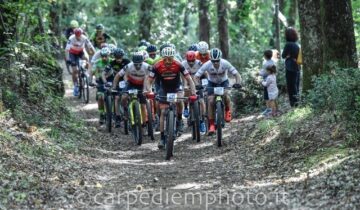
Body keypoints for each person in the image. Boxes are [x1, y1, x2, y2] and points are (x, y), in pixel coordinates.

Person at [145, 47, 197, 149]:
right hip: (163, 88)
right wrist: (150, 91)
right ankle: (162, 138)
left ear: (173, 57)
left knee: (179, 100)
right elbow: (149, 81)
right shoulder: (157, 65)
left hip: (176, 87)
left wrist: (193, 93)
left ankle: (179, 119)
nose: (168, 61)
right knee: (163, 112)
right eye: (166, 59)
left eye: (170, 58)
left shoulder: (178, 64)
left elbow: (189, 79)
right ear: (162, 58)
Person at [194, 48, 242, 134]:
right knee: (210, 100)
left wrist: (238, 83)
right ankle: (211, 125)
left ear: (220, 59)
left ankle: (227, 111)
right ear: (210, 59)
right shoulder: (207, 64)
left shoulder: (225, 63)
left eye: (217, 61)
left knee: (226, 95)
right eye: (213, 61)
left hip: (224, 82)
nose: (215, 63)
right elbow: (196, 76)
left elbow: (236, 74)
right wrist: (197, 84)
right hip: (211, 83)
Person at [112, 52, 152, 130]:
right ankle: (126, 110)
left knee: (143, 105)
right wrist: (114, 87)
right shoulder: (128, 66)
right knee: (124, 97)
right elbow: (118, 76)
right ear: (132, 62)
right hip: (131, 84)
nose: (138, 66)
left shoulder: (147, 66)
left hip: (142, 84)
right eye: (135, 64)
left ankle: (144, 123)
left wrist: (149, 87)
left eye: (140, 64)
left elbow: (154, 76)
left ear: (143, 61)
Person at [182, 51, 207, 134]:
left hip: (197, 84)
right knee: (185, 94)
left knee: (202, 102)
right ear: (186, 60)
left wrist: (206, 83)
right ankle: (185, 107)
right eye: (189, 61)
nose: (191, 63)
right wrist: (185, 86)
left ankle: (202, 121)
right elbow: (183, 77)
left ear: (195, 59)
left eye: (193, 61)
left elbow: (205, 73)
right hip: (188, 83)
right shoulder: (183, 64)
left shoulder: (199, 63)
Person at [65, 28, 95, 96]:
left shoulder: (84, 38)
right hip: (72, 54)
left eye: (79, 35)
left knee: (87, 59)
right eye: (77, 36)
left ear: (81, 34)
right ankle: (75, 86)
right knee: (75, 70)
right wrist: (67, 59)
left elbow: (91, 47)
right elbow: (66, 50)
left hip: (80, 52)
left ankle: (85, 73)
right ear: (74, 34)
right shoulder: (71, 38)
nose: (78, 37)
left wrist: (94, 53)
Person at [108, 48, 131, 127]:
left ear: (122, 56)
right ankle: (117, 117)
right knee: (117, 98)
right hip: (116, 81)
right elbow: (105, 71)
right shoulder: (111, 63)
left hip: (126, 80)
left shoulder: (127, 61)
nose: (118, 59)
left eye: (120, 57)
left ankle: (130, 112)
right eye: (116, 57)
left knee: (129, 96)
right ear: (114, 57)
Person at [91, 48, 112, 125]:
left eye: (106, 56)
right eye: (102, 56)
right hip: (100, 80)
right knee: (100, 97)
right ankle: (101, 113)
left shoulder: (112, 61)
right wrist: (91, 81)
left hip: (111, 79)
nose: (104, 58)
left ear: (109, 55)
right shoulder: (97, 62)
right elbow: (92, 72)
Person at [282, 27, 301, 107]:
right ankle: (297, 102)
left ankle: (293, 104)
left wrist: (287, 56)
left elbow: (283, 55)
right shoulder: (297, 45)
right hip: (297, 66)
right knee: (296, 85)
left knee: (290, 85)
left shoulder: (288, 44)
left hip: (290, 66)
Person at [257, 50, 276, 116]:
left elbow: (264, 73)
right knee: (273, 96)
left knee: (267, 96)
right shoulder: (273, 62)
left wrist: (258, 74)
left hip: (267, 80)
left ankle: (269, 109)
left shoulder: (265, 63)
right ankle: (273, 110)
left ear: (265, 56)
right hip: (273, 80)